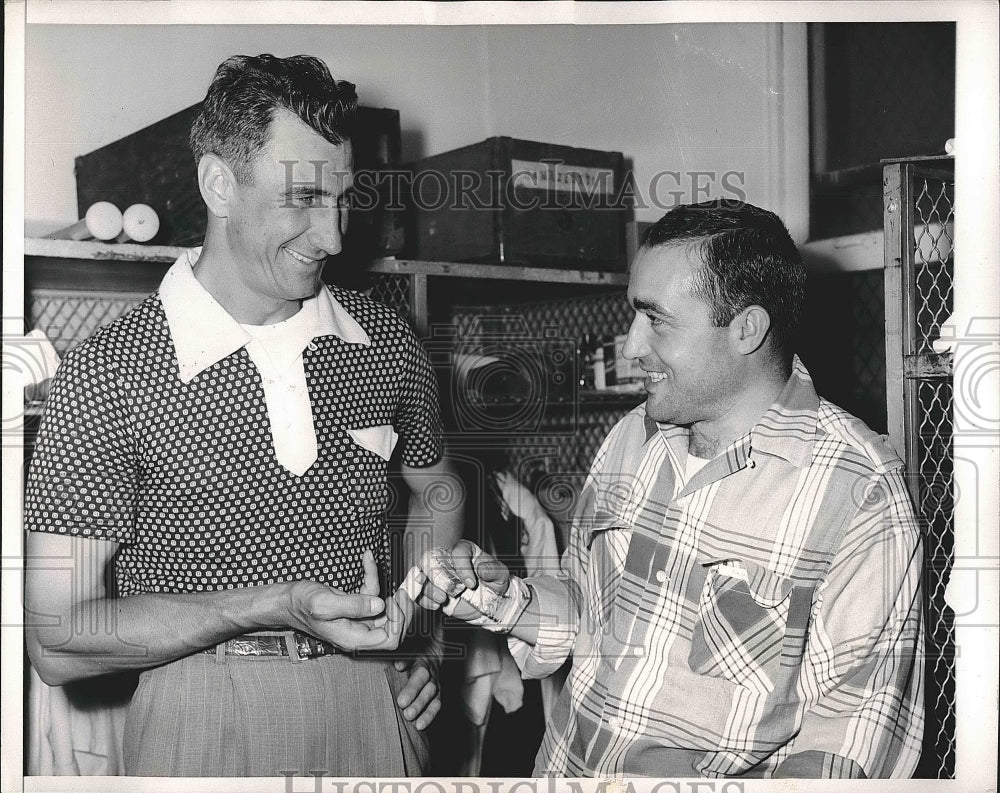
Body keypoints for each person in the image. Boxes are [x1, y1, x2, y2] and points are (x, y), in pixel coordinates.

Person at [24, 53, 460, 778]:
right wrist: (270, 605)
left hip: (375, 702)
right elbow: (56, 637)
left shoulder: (384, 339)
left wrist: (424, 638)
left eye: (342, 198)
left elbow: (438, 486)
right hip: (202, 713)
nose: (332, 237)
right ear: (218, 184)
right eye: (303, 198)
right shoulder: (109, 372)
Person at [416, 200, 925, 778]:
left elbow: (844, 748)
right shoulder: (632, 437)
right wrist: (506, 598)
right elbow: (590, 613)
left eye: (656, 320)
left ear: (747, 329)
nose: (631, 346)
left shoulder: (859, 493)